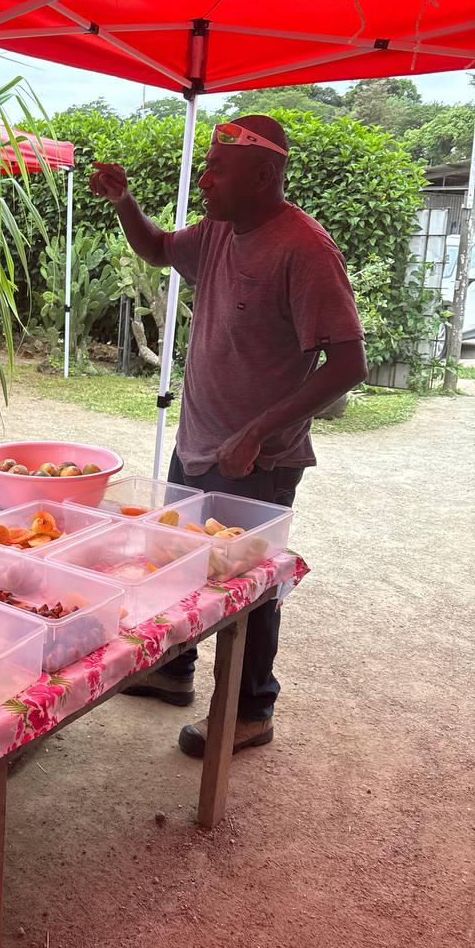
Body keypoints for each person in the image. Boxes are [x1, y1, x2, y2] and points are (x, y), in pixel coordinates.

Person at [90, 115, 367, 757]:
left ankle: (249, 710)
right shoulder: (218, 229)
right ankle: (175, 673)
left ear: (266, 176)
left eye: (220, 171)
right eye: (207, 166)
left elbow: (348, 364)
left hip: (258, 459)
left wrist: (259, 429)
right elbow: (158, 250)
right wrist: (124, 202)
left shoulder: (304, 248)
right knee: (185, 562)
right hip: (198, 441)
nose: (206, 181)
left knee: (249, 586)